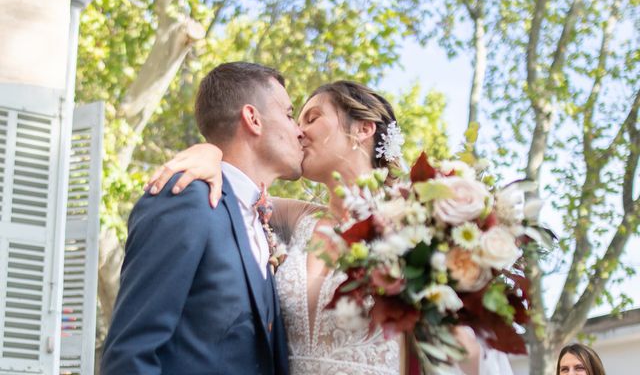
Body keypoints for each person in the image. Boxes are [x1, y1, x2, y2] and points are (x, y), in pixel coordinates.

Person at [147, 79, 512, 374]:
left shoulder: (417, 220)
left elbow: (463, 349)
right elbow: (235, 183)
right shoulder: (296, 219)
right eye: (296, 119)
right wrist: (207, 151)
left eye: (312, 117)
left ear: (363, 129)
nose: (298, 131)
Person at [101, 62, 301, 374]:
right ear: (253, 119)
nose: (298, 130)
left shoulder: (260, 218)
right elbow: (130, 353)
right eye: (289, 115)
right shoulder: (186, 198)